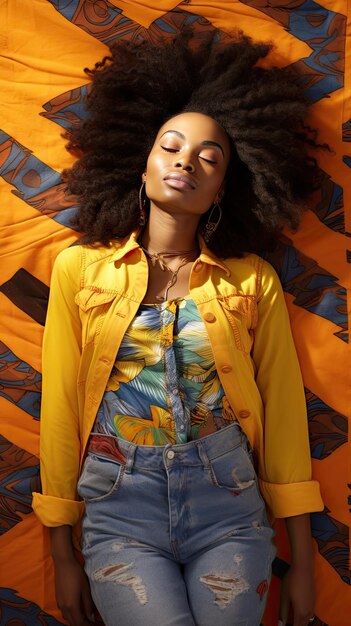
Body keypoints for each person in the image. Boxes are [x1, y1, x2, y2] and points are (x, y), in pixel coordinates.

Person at [32, 29, 324, 626]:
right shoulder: (79, 271)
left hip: (231, 508)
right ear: (141, 166)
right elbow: (60, 405)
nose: (186, 160)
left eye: (208, 158)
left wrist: (305, 564)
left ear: (221, 189)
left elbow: (287, 420)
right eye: (171, 147)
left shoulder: (251, 282)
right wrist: (63, 551)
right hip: (119, 510)